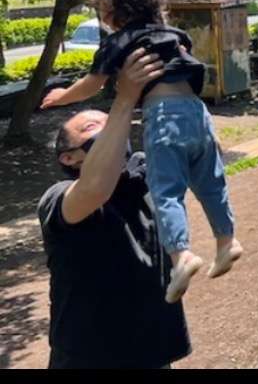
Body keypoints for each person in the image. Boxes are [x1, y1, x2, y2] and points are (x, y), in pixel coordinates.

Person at [41, 0, 241, 303]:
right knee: (211, 183)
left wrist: (62, 96)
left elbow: (93, 84)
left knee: (166, 191)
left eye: (102, 6)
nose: (101, 13)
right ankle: (226, 241)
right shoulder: (176, 36)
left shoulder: (121, 41)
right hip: (198, 113)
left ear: (117, 8)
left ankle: (181, 256)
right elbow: (191, 73)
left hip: (164, 116)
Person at [40, 48, 192, 368]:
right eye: (91, 128)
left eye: (110, 123)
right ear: (69, 157)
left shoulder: (145, 175)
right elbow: (96, 186)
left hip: (151, 352)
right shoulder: (59, 198)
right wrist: (124, 99)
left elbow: (200, 151)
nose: (109, 128)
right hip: (89, 358)